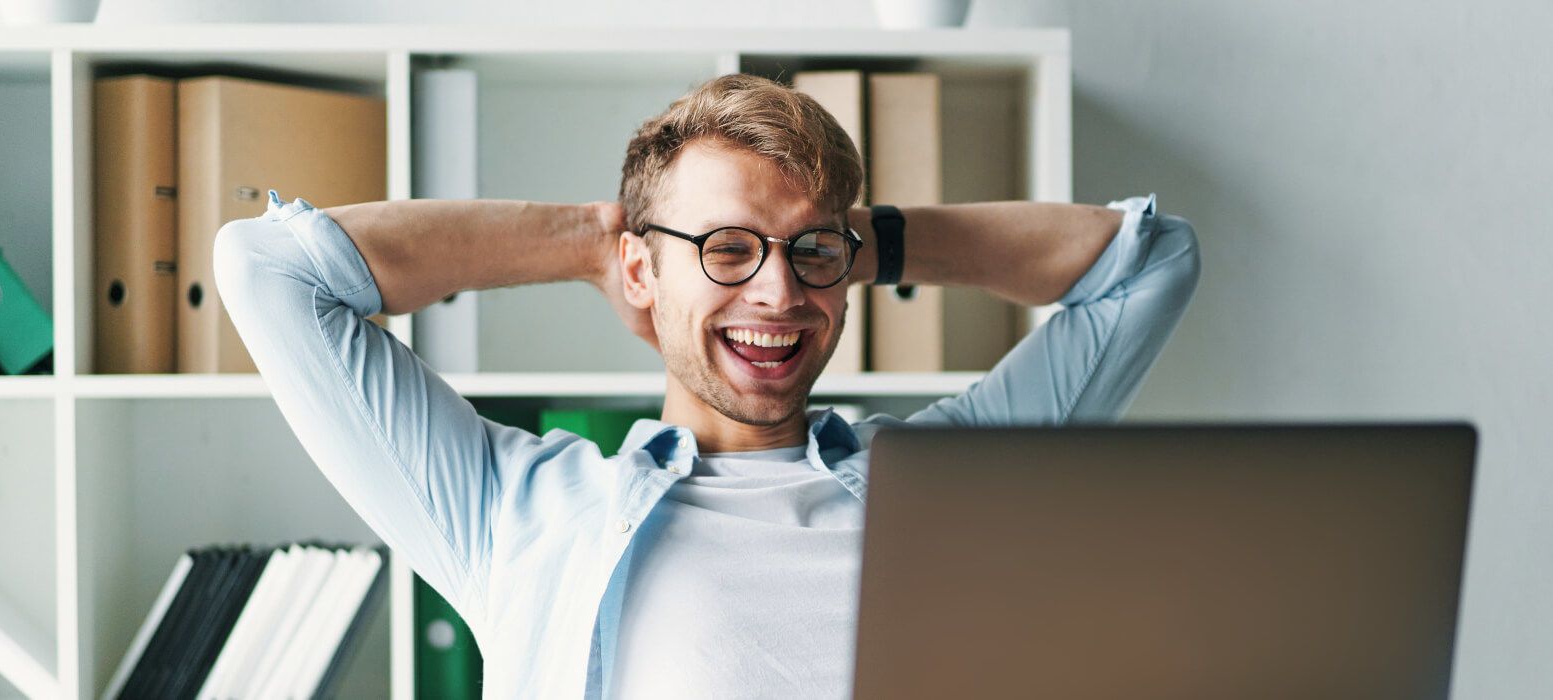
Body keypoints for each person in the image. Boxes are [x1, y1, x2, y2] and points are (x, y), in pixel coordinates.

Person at [214, 73, 1199, 698]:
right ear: (644, 272)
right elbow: (270, 270)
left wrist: (868, 238)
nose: (779, 290)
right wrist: (593, 239)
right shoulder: (517, 517)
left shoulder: (946, 482)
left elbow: (1152, 263)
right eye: (727, 248)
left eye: (810, 250)